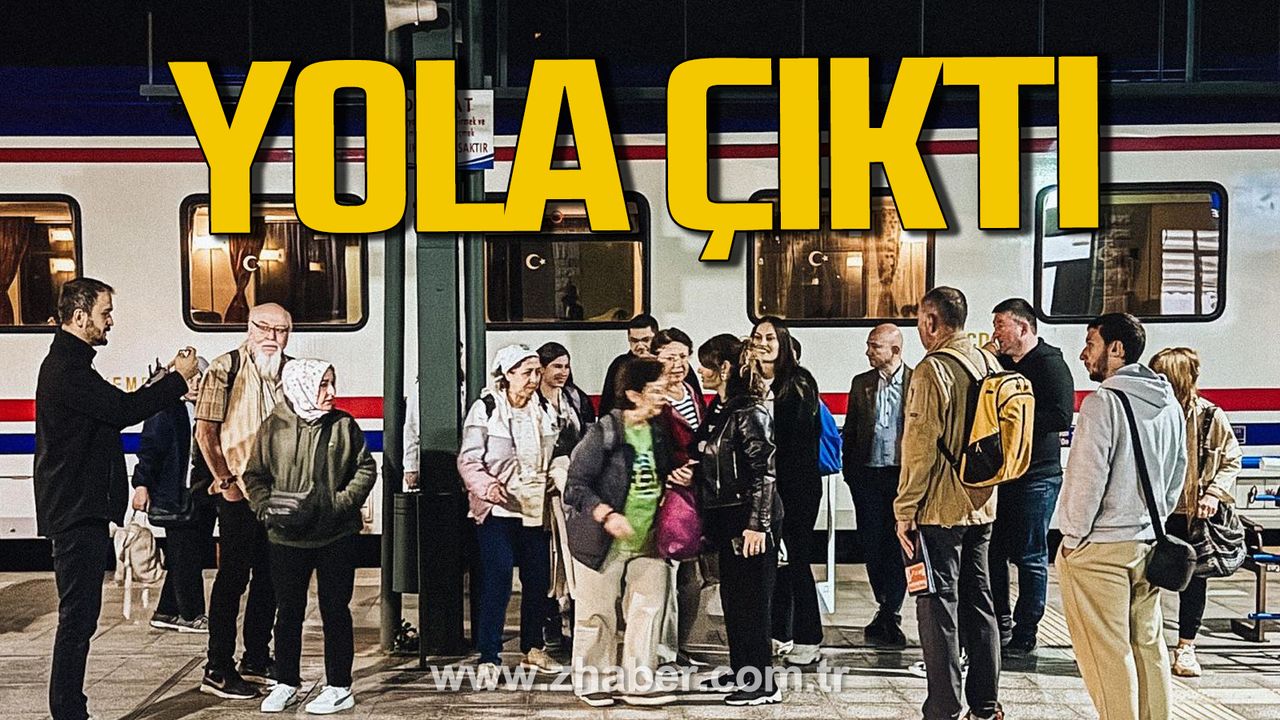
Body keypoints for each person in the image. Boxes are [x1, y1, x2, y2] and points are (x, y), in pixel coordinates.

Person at [34, 277, 199, 720]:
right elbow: (123, 411)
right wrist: (178, 380)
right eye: (105, 313)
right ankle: (68, 711)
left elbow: (115, 406)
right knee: (77, 619)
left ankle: (71, 707)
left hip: (78, 508)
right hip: (75, 511)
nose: (110, 321)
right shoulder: (66, 369)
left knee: (81, 617)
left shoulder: (73, 366)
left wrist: (161, 380)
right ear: (80, 316)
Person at [1058, 313, 1186, 720]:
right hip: (1149, 543)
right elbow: (1177, 473)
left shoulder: (1103, 403)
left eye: (1090, 344)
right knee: (1148, 645)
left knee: (1108, 655)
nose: (1084, 354)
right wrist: (1153, 520)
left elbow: (1087, 478)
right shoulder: (1169, 403)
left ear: (1116, 349)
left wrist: (1072, 538)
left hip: (1102, 549)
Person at [243, 360, 377, 714]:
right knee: (288, 612)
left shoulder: (344, 425)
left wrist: (340, 503)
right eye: (323, 384)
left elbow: (365, 467)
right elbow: (254, 475)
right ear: (300, 385)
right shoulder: (274, 426)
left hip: (336, 536)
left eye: (332, 383)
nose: (331, 392)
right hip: (286, 538)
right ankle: (286, 682)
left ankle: (339, 686)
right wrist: (266, 508)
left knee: (336, 612)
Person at [893, 287, 1002, 720]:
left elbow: (919, 447)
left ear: (932, 321)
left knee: (937, 607)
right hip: (983, 504)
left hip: (940, 510)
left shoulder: (932, 370)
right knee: (981, 603)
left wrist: (905, 509)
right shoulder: (989, 362)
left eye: (921, 321)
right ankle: (986, 705)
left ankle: (943, 707)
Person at [564, 357, 681, 707]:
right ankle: (592, 680)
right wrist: (607, 514)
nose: (663, 397)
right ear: (633, 394)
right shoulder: (604, 431)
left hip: (649, 538)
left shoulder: (658, 432)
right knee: (596, 614)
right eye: (656, 390)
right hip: (602, 542)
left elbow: (662, 473)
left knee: (648, 612)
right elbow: (575, 486)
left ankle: (638, 681)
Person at [195, 303, 293, 699]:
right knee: (233, 579)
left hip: (279, 493)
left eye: (280, 330)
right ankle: (218, 667)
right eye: (264, 327)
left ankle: (256, 656)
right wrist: (225, 481)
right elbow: (206, 432)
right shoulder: (225, 368)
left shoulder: (291, 371)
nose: (271, 336)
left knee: (271, 578)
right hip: (237, 492)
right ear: (248, 328)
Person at [457, 345, 564, 683]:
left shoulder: (543, 409)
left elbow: (556, 452)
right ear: (507, 374)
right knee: (498, 578)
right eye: (527, 372)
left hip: (534, 508)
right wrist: (487, 487)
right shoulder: (487, 409)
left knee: (537, 580)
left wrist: (555, 476)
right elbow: (469, 460)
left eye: (537, 372)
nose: (534, 379)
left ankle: (533, 648)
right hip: (498, 510)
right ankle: (489, 655)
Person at [694, 334, 784, 706]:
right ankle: (742, 670)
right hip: (727, 518)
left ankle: (762, 683)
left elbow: (765, 471)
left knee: (752, 602)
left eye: (707, 365)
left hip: (748, 518)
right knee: (734, 600)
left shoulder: (749, 411)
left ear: (725, 368)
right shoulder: (721, 408)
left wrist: (757, 524)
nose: (701, 371)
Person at [986, 298, 1075, 657]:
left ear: (1022, 327)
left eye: (1000, 326)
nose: (995, 334)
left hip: (1037, 476)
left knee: (1030, 555)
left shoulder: (1050, 364)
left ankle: (1026, 630)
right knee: (993, 552)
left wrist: (1015, 421)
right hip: (1002, 475)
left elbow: (1061, 416)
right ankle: (1000, 621)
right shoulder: (1002, 364)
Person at [1148, 347, 1241, 678]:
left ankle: (1186, 646)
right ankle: (1147, 643)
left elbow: (1231, 458)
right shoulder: (1151, 413)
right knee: (1145, 579)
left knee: (1194, 581)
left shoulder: (1209, 416)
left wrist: (1213, 493)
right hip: (1155, 511)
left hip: (1192, 513)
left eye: (1163, 376)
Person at [752, 316, 824, 665]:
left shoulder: (799, 381)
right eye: (758, 337)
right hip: (762, 488)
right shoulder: (748, 382)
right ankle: (779, 632)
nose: (763, 343)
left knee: (796, 561)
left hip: (797, 488)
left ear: (783, 343)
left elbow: (798, 437)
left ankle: (809, 638)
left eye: (770, 337)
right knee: (770, 565)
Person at [132, 356, 216, 634]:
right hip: (174, 494)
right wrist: (141, 485)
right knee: (186, 557)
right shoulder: (166, 410)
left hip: (200, 495)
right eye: (191, 378)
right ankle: (191, 615)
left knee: (188, 555)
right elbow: (150, 449)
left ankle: (166, 611)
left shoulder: (208, 410)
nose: (196, 384)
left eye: (201, 379)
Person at [842, 324, 912, 648]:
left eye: (875, 346)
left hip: (901, 477)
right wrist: (850, 472)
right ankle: (883, 604)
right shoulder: (862, 384)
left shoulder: (916, 382)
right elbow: (852, 430)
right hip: (867, 476)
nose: (868, 352)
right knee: (871, 542)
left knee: (898, 545)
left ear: (895, 350)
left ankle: (891, 610)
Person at [651, 327, 710, 665]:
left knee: (692, 577)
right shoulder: (651, 396)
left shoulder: (690, 390)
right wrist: (668, 472)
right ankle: (662, 649)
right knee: (665, 574)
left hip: (693, 492)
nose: (678, 364)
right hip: (665, 495)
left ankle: (680, 646)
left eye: (683, 356)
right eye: (670, 357)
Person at [537, 342, 597, 650]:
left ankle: (575, 621)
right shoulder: (531, 401)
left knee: (572, 555)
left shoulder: (576, 398)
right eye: (556, 366)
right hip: (545, 491)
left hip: (573, 486)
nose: (562, 372)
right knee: (549, 559)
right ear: (542, 369)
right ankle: (549, 625)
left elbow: (590, 436)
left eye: (566, 366)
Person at [598, 314, 702, 416]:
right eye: (634, 341)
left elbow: (697, 399)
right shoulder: (620, 364)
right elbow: (607, 404)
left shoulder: (677, 365)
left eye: (646, 340)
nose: (640, 346)